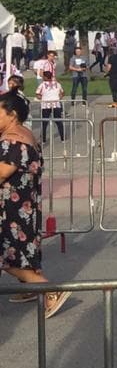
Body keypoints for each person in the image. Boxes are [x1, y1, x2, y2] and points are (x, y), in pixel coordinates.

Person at [0, 92, 67, 318]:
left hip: (11, 208)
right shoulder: (24, 134)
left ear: (12, 114)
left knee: (8, 256)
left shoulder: (13, 141)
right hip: (23, 204)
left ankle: (49, 290)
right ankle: (31, 287)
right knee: (21, 251)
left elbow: (2, 172)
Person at [34, 69, 64, 144]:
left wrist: (43, 98)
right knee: (59, 121)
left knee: (44, 122)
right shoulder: (57, 84)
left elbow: (37, 94)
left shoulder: (42, 85)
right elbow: (62, 93)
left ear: (45, 77)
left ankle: (43, 140)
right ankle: (62, 138)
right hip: (56, 104)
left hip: (45, 105)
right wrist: (58, 98)